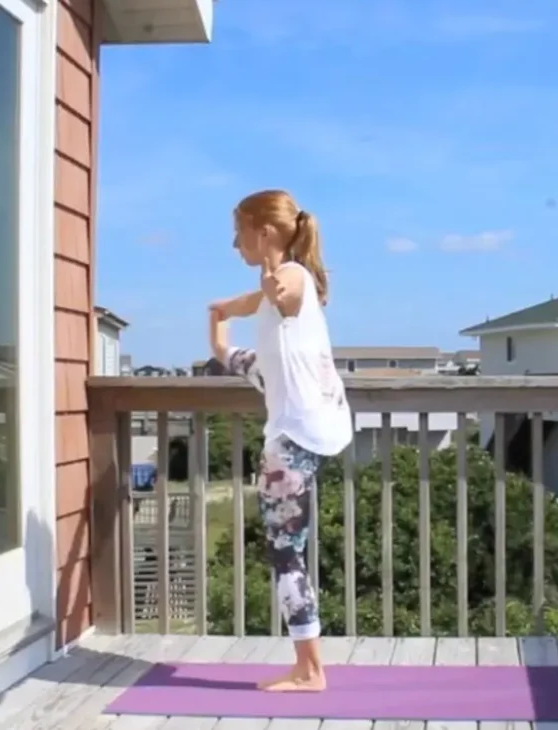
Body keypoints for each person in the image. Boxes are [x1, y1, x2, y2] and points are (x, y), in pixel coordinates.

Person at [208, 189, 352, 692]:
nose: (233, 244)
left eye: (239, 232)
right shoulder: (277, 287)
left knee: (285, 554)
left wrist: (271, 281)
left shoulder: (292, 278)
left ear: (263, 231)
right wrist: (221, 336)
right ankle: (308, 665)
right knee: (286, 551)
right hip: (302, 431)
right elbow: (259, 333)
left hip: (290, 442)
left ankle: (310, 670)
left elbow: (283, 296)